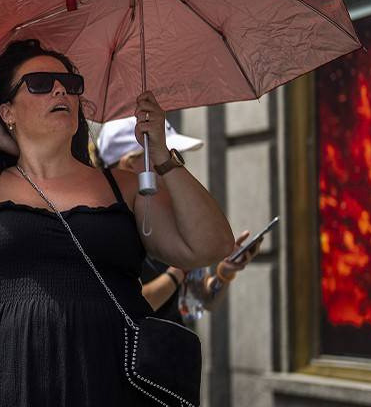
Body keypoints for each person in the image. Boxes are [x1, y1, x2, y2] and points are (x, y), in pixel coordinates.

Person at [0, 39, 234, 407]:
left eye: (70, 83)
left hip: (114, 381)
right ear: (8, 110)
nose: (61, 91)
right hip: (11, 378)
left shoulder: (123, 185)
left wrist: (162, 157)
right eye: (40, 83)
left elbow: (211, 245)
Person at [96, 117, 261, 321]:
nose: (173, 168)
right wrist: (180, 270)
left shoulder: (168, 218)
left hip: (172, 350)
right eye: (163, 157)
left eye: (174, 157)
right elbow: (128, 306)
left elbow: (198, 301)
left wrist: (224, 274)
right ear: (129, 164)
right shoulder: (104, 228)